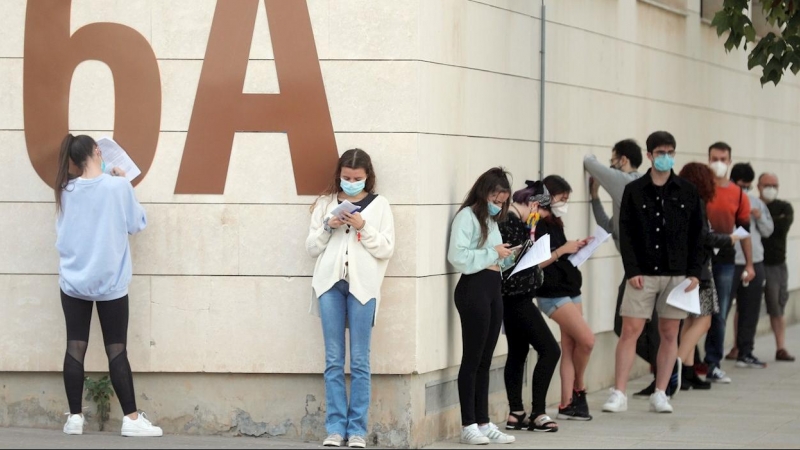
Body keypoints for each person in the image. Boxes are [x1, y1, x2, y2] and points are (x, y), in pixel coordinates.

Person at [54, 134, 162, 437]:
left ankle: (75, 418)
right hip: (110, 281)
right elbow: (137, 224)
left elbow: (62, 235)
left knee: (75, 346)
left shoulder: (65, 190)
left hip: (74, 280)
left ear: (73, 161)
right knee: (116, 349)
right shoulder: (117, 186)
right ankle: (131, 419)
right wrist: (125, 180)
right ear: (98, 152)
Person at [603, 131, 704, 414]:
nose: (665, 157)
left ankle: (661, 391)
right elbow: (628, 233)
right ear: (649, 155)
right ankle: (619, 392)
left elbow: (699, 233)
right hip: (643, 273)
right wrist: (632, 269)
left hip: (677, 274)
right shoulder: (634, 190)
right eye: (660, 152)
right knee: (630, 330)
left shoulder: (687, 190)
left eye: (670, 151)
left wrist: (695, 272)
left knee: (670, 332)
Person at [305, 149, 395, 449]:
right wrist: (328, 227)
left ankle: (356, 430)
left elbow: (386, 249)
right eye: (346, 178)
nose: (351, 182)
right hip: (330, 285)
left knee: (359, 361)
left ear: (367, 176)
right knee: (333, 360)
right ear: (339, 175)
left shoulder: (380, 205)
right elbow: (312, 248)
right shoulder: (326, 204)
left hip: (363, 287)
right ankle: (335, 428)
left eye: (357, 178)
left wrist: (362, 227)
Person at [586, 140, 666, 397]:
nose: (611, 162)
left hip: (644, 268)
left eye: (614, 158)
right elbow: (610, 227)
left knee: (636, 326)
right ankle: (665, 370)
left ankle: (666, 370)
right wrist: (594, 197)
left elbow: (589, 163)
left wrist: (590, 153)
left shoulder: (625, 181)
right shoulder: (633, 187)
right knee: (638, 325)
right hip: (636, 266)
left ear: (622, 159)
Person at [448, 167, 517, 445]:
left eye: (502, 202)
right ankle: (468, 424)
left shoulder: (491, 220)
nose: (498, 205)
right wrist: (493, 253)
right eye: (495, 199)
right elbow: (458, 256)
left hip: (492, 287)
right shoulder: (466, 217)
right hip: (473, 289)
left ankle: (484, 421)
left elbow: (494, 257)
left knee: (486, 360)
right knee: (472, 359)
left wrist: (510, 255)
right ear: (484, 192)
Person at [499, 180, 561, 433]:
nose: (543, 216)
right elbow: (511, 260)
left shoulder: (516, 221)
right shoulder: (510, 222)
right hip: (516, 298)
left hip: (515, 297)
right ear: (533, 204)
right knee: (550, 350)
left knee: (518, 351)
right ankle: (538, 413)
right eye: (542, 210)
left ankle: (516, 413)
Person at [534, 175, 595, 421]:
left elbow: (560, 253)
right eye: (562, 198)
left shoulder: (555, 221)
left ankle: (567, 403)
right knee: (587, 341)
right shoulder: (536, 221)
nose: (564, 203)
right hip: (552, 293)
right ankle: (579, 389)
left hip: (570, 287)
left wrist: (578, 246)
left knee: (571, 346)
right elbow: (537, 261)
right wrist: (562, 250)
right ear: (549, 195)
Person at [676, 163, 740, 390]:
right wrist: (729, 239)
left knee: (691, 320)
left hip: (688, 269)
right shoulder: (697, 203)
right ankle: (677, 364)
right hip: (699, 270)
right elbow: (704, 237)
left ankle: (688, 371)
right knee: (705, 320)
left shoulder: (681, 201)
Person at [703, 142, 754, 383]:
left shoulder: (738, 194)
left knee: (719, 311)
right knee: (695, 311)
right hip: (700, 258)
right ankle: (687, 362)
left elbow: (744, 231)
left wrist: (750, 265)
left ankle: (713, 362)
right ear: (708, 159)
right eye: (714, 158)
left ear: (730, 161)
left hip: (725, 260)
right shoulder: (699, 188)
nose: (719, 163)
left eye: (723, 159)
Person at [724, 163, 773, 369]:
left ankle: (746, 351)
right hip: (729, 262)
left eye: (747, 187)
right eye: (741, 186)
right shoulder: (724, 199)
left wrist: (759, 217)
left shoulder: (756, 203)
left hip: (755, 261)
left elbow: (769, 230)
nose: (744, 191)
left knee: (750, 309)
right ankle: (712, 357)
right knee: (722, 311)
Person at [758, 173, 795, 361]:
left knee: (777, 307)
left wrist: (762, 220)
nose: (771, 188)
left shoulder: (785, 207)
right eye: (767, 184)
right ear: (759, 186)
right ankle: (739, 348)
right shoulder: (753, 205)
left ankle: (780, 347)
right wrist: (773, 220)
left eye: (774, 185)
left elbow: (780, 228)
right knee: (746, 307)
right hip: (755, 262)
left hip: (776, 265)